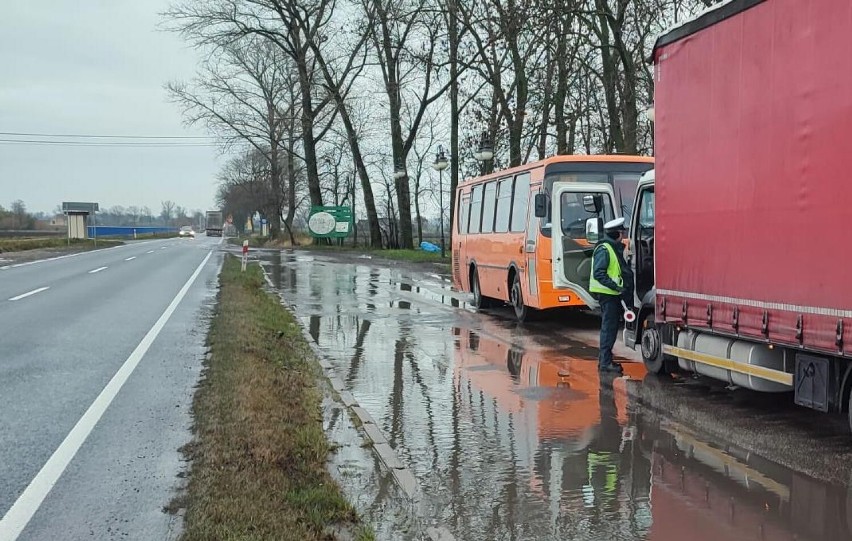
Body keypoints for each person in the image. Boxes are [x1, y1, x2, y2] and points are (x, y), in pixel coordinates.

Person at [589, 217, 633, 373]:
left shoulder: (612, 247)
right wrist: (616, 287)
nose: (623, 236)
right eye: (622, 232)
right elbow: (599, 273)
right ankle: (605, 362)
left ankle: (605, 360)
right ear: (617, 234)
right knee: (609, 328)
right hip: (608, 295)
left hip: (612, 294)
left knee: (610, 328)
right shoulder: (605, 249)